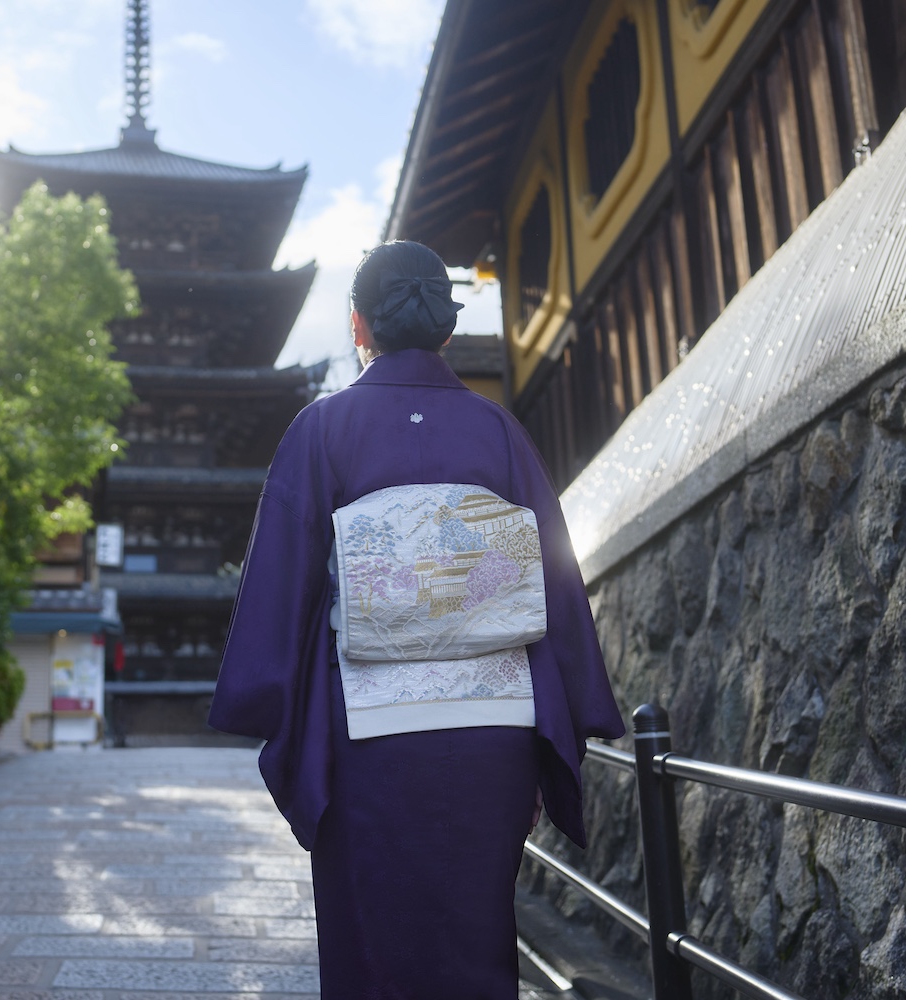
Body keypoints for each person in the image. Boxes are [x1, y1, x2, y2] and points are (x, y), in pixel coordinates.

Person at [209, 240, 626, 997]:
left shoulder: (321, 430)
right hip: (490, 730)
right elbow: (552, 584)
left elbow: (281, 588)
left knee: (369, 940)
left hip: (367, 732)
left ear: (358, 325)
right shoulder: (500, 432)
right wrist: (564, 717)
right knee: (476, 934)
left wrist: (269, 698)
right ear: (444, 329)